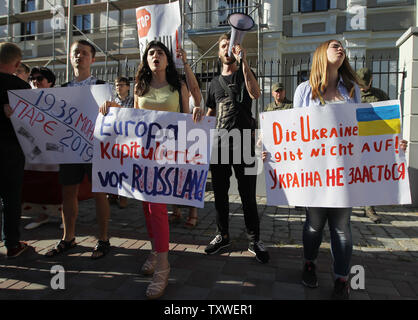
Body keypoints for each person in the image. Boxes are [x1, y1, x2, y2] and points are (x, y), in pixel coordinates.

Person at [291, 39, 407, 299]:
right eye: (335, 45)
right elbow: (293, 132)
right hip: (316, 173)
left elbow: (365, 127)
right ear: (322, 53)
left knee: (342, 227)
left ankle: (342, 278)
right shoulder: (303, 91)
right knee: (314, 224)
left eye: (342, 46)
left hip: (344, 173)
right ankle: (309, 263)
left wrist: (391, 142)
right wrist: (275, 152)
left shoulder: (351, 90)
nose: (340, 48)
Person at [100, 40, 202, 299]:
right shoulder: (139, 86)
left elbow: (194, 102)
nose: (155, 55)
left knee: (157, 208)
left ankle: (164, 268)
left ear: (167, 60)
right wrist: (113, 109)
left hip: (167, 157)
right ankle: (156, 251)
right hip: (143, 158)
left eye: (160, 53)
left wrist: (197, 110)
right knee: (146, 207)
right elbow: (131, 118)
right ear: (146, 60)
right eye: (151, 53)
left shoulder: (177, 86)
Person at [204, 33, 270, 264]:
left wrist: (244, 62)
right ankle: (222, 236)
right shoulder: (212, 84)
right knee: (220, 195)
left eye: (230, 46)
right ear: (219, 52)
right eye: (223, 46)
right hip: (219, 142)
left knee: (248, 195)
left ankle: (255, 240)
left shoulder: (245, 74)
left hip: (244, 142)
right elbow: (210, 113)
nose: (227, 49)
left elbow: (256, 93)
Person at [45, 39, 111, 260]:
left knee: (100, 193)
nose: (79, 56)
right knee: (68, 193)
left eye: (84, 53)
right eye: (76, 52)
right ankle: (68, 237)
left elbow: (116, 118)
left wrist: (111, 106)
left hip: (96, 149)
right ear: (70, 57)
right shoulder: (62, 90)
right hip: (69, 149)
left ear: (92, 59)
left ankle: (103, 239)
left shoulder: (102, 87)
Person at [0, 42, 32, 258]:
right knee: (11, 198)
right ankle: (12, 244)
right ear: (17, 63)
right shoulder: (21, 88)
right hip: (11, 152)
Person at [22, 67, 62, 230]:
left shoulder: (59, 101)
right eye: (32, 78)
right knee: (38, 183)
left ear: (50, 82)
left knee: (57, 184)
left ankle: (64, 217)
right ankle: (42, 215)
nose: (35, 82)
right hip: (34, 152)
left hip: (54, 151)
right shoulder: (24, 100)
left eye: (39, 79)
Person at [168, 47, 203, 228]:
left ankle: (193, 214)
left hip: (192, 141)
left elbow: (196, 92)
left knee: (191, 177)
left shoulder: (195, 99)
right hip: (175, 140)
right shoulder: (173, 95)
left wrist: (185, 62)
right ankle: (176, 210)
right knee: (174, 176)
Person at [356, 67, 391, 224]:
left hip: (372, 142)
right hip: (353, 142)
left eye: (365, 83)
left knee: (369, 175)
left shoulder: (380, 95)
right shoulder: (351, 94)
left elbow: (391, 116)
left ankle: (369, 207)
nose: (363, 86)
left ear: (371, 80)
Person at [106, 76, 134, 209]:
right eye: (116, 85)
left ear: (128, 87)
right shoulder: (111, 101)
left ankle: (123, 197)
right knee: (112, 167)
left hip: (127, 139)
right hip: (113, 138)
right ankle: (112, 194)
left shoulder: (133, 101)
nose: (118, 87)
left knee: (125, 168)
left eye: (121, 85)